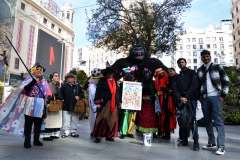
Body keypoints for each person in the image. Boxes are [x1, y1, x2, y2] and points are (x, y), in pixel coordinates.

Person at [0, 62, 52, 149]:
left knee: (38, 123)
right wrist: (31, 83)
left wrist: (49, 97)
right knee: (28, 123)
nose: (39, 71)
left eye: (40, 69)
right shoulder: (28, 79)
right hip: (30, 104)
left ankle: (36, 140)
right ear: (33, 70)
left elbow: (48, 92)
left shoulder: (44, 82)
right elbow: (23, 91)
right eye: (37, 69)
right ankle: (27, 141)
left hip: (40, 104)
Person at [197, 50, 230, 155]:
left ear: (210, 57)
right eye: (203, 57)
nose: (205, 58)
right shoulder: (200, 70)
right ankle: (211, 143)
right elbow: (198, 85)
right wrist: (199, 97)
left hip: (216, 97)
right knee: (207, 121)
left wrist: (222, 96)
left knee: (218, 121)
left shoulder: (217, 66)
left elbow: (226, 81)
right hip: (205, 99)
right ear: (201, 58)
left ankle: (221, 146)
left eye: (207, 56)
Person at [173, 58, 200, 151]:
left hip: (191, 100)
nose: (181, 64)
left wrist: (186, 97)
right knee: (182, 120)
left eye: (182, 62)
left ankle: (196, 141)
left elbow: (194, 85)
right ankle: (184, 139)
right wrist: (180, 98)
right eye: (179, 63)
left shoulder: (192, 72)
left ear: (185, 63)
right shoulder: (177, 76)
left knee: (192, 120)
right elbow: (175, 88)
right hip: (181, 101)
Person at [92, 61, 120, 143]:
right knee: (102, 118)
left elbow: (118, 92)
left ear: (113, 73)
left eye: (111, 72)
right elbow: (98, 91)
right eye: (108, 72)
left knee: (112, 119)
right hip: (105, 103)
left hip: (114, 103)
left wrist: (120, 102)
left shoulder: (115, 81)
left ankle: (109, 135)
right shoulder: (102, 80)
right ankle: (98, 135)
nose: (110, 74)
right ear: (106, 73)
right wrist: (98, 103)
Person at [154, 68, 176, 140]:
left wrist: (167, 91)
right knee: (160, 115)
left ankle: (167, 133)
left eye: (161, 74)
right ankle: (162, 132)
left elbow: (173, 89)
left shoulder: (169, 79)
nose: (160, 76)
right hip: (160, 100)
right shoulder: (157, 81)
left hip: (167, 100)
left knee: (167, 116)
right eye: (158, 75)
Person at [60, 73, 84, 138]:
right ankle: (66, 131)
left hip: (75, 104)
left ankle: (73, 131)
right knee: (66, 118)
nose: (70, 79)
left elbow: (82, 93)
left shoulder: (77, 85)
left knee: (75, 118)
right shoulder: (64, 85)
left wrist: (79, 96)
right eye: (69, 77)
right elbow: (60, 93)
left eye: (71, 77)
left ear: (74, 78)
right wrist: (62, 98)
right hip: (66, 104)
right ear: (67, 78)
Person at [41, 72, 63, 141]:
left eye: (58, 76)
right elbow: (50, 94)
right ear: (52, 77)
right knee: (49, 120)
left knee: (55, 120)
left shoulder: (57, 85)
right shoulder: (50, 84)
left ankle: (53, 134)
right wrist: (58, 97)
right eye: (55, 76)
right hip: (51, 104)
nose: (57, 77)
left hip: (56, 104)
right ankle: (46, 135)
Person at [135, 68, 158, 134]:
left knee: (153, 118)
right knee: (143, 118)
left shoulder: (153, 83)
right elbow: (137, 91)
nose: (146, 75)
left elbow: (157, 91)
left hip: (151, 103)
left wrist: (154, 96)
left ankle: (154, 132)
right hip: (143, 102)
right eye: (145, 73)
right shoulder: (140, 83)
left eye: (148, 73)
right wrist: (141, 96)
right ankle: (143, 130)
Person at [119, 67, 137, 139]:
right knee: (124, 117)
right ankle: (123, 132)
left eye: (131, 74)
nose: (129, 75)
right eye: (127, 74)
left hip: (133, 104)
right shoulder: (122, 84)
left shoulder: (136, 84)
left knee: (132, 118)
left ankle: (130, 132)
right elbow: (120, 93)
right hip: (125, 103)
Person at [168, 68, 182, 141]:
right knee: (179, 118)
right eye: (169, 72)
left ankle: (184, 136)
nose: (170, 72)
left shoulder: (178, 77)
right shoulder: (170, 79)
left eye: (171, 71)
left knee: (182, 118)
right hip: (175, 100)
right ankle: (181, 136)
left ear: (175, 71)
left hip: (180, 99)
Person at [88, 68, 103, 135]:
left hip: (96, 104)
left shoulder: (95, 85)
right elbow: (94, 95)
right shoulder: (92, 86)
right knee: (94, 118)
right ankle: (94, 131)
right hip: (95, 104)